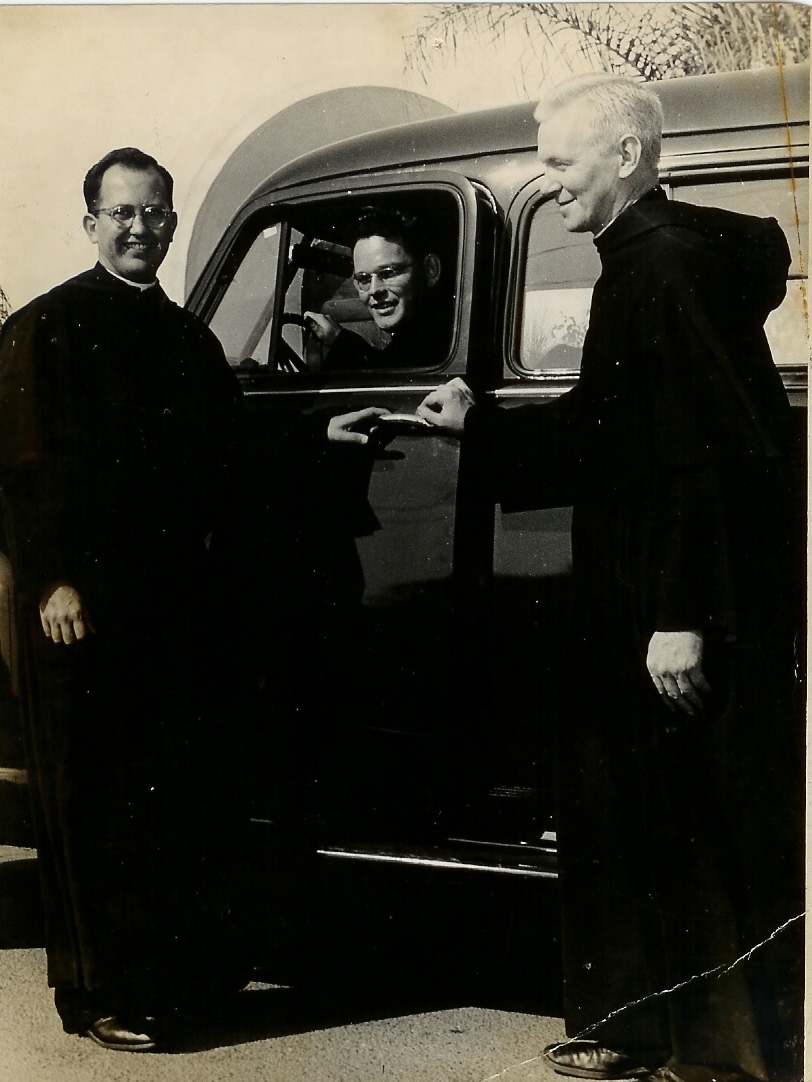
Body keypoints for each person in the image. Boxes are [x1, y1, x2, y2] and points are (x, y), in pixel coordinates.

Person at [417, 75, 803, 1082]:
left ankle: (720, 1059)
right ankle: (639, 1027)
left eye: (558, 162)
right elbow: (605, 431)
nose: (549, 186)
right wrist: (484, 426)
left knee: (691, 825)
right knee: (628, 809)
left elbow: (705, 458)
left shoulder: (664, 269)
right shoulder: (640, 264)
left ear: (624, 155)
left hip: (664, 597)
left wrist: (680, 616)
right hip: (628, 587)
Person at [0, 148, 249, 1052]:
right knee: (91, 799)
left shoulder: (189, 340)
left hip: (169, 613)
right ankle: (94, 995)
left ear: (175, 223)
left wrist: (325, 443)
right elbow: (22, 472)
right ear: (91, 221)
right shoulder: (47, 327)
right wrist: (51, 580)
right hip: (81, 610)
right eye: (123, 214)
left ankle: (160, 982)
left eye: (156, 214)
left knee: (159, 799)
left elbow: (232, 460)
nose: (141, 228)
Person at [305, 204, 448, 371]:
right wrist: (338, 338)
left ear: (431, 270)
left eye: (388, 273)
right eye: (363, 279)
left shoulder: (440, 342)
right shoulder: (413, 341)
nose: (374, 290)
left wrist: (341, 343)